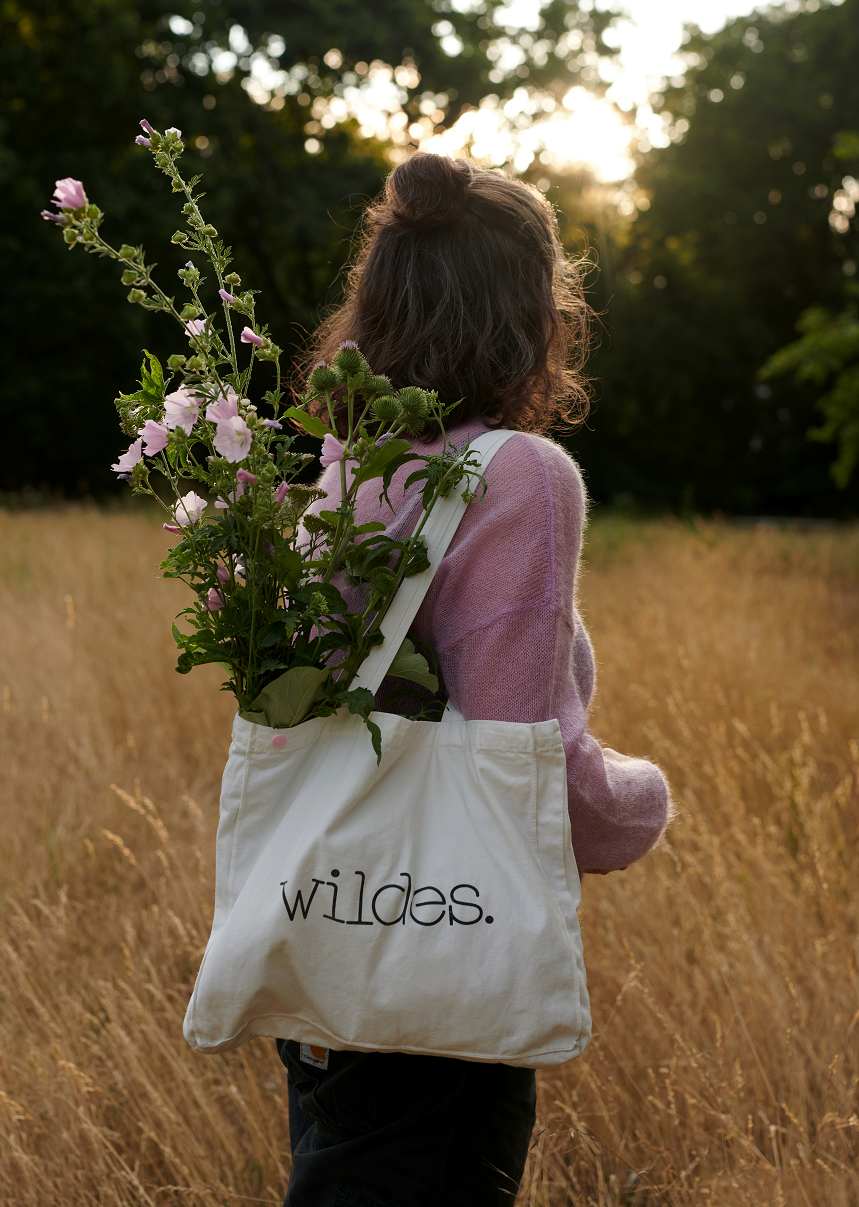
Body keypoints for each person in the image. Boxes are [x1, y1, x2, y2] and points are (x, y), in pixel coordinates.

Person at [276, 151, 672, 1207]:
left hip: (324, 933)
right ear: (533, 312)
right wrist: (638, 801)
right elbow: (520, 765)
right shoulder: (517, 477)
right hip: (440, 952)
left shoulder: (349, 464)